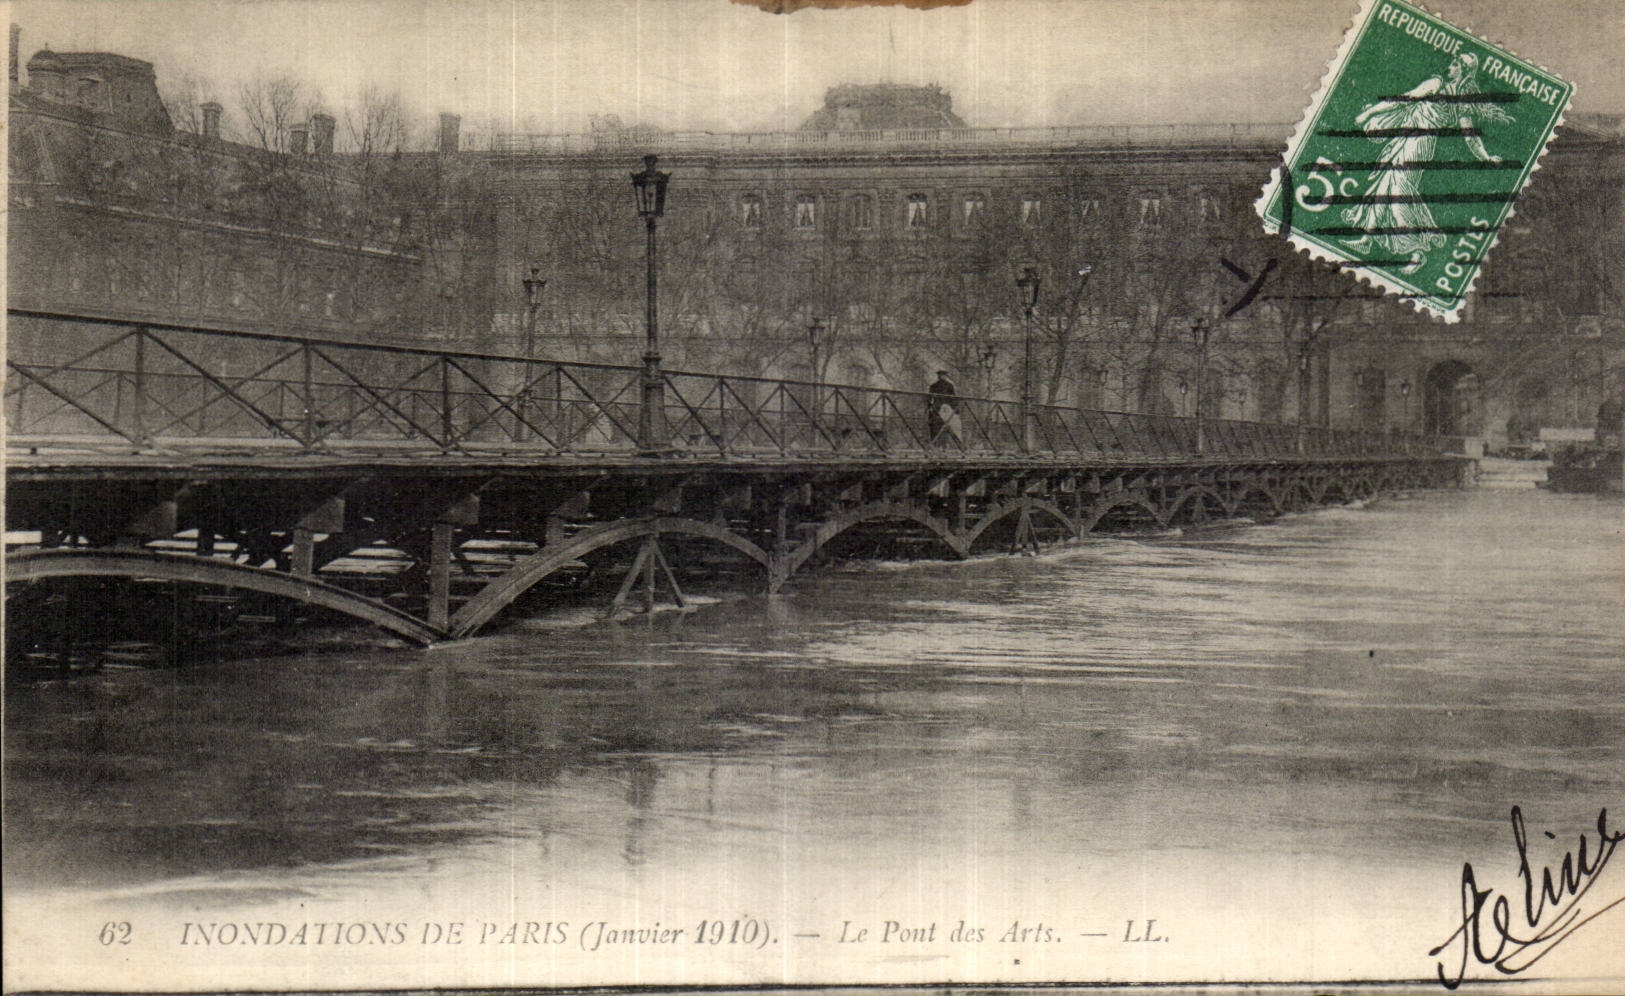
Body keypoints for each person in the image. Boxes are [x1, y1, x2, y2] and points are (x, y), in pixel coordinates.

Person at [1340, 51, 1512, 274]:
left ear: (1463, 70)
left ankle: (1415, 248)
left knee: (1398, 191)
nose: (1450, 66)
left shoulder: (1445, 90)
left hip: (1417, 144)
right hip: (1413, 140)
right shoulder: (1449, 93)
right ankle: (1368, 239)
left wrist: (1486, 157)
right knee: (1388, 184)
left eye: (1455, 63)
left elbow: (1469, 135)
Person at [928, 370, 959, 446]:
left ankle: (940, 444)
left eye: (943, 375)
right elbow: (930, 398)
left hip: (943, 409)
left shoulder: (948, 386)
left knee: (940, 426)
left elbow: (953, 398)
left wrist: (955, 409)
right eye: (941, 375)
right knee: (940, 426)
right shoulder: (934, 386)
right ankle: (939, 444)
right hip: (940, 408)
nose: (942, 377)